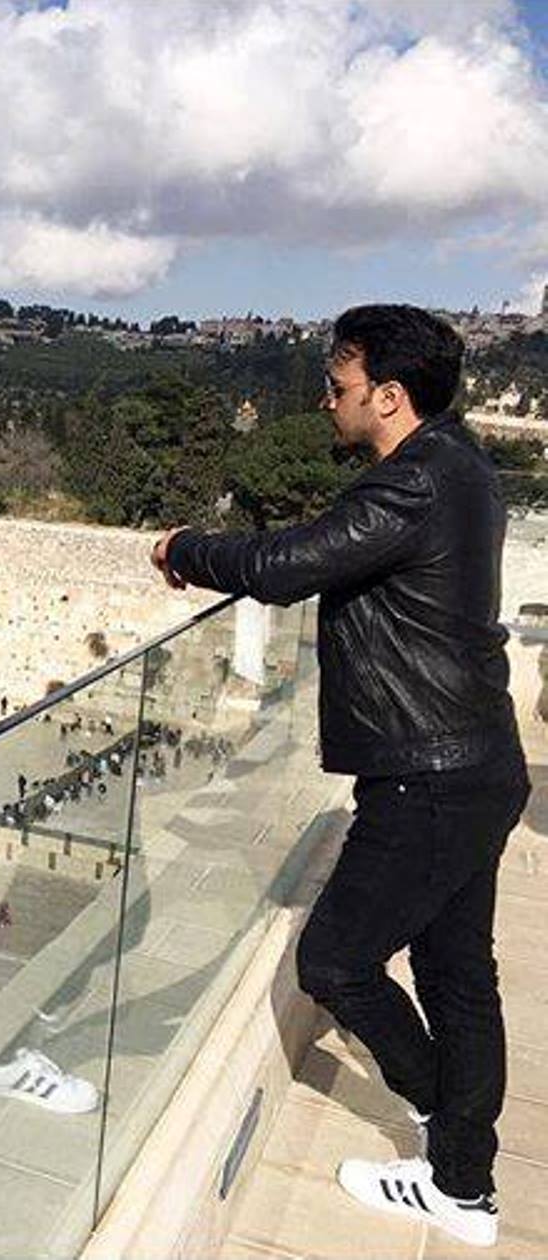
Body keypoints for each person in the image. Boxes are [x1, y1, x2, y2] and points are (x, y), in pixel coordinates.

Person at [153, 305, 526, 1248]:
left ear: (389, 397)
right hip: (475, 761)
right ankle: (464, 1186)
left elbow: (285, 566)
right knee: (458, 976)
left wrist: (183, 548)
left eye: (339, 385)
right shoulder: (463, 464)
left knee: (335, 961)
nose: (327, 400)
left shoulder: (413, 482)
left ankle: (452, 1137)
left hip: (428, 775)